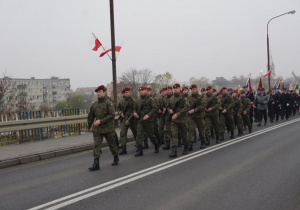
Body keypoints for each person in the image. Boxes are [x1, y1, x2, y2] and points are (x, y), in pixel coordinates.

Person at [87, 85, 119, 171]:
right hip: (98, 129)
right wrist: (89, 125)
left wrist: (101, 121)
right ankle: (96, 163)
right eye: (97, 92)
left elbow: (112, 115)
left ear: (104, 93)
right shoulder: (95, 105)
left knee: (112, 144)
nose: (98, 93)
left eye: (100, 92)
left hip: (108, 128)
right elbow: (91, 116)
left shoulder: (109, 103)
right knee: (96, 145)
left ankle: (116, 156)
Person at [133, 86, 159, 157]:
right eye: (140, 90)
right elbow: (134, 109)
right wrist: (135, 113)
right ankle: (140, 150)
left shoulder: (150, 100)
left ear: (146, 91)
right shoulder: (137, 100)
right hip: (140, 121)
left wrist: (148, 115)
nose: (141, 91)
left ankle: (156, 144)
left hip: (149, 121)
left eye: (142, 90)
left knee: (151, 135)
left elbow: (154, 108)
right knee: (139, 135)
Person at [167, 83, 189, 158]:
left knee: (184, 135)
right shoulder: (171, 99)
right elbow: (168, 107)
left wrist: (178, 114)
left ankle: (186, 147)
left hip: (183, 120)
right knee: (174, 135)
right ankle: (174, 151)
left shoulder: (183, 98)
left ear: (180, 89)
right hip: (174, 121)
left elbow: (186, 108)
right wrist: (170, 110)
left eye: (177, 88)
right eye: (174, 88)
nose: (175, 89)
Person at [118, 87, 137, 155]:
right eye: (124, 92)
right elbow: (118, 109)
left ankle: (138, 145)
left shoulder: (133, 101)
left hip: (132, 119)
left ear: (130, 92)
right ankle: (123, 148)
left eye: (127, 92)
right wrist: (120, 113)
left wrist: (129, 119)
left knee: (135, 133)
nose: (125, 94)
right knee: (123, 133)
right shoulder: (122, 101)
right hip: (124, 119)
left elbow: (135, 111)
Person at [187, 84, 207, 149]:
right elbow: (187, 106)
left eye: (193, 89)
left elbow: (203, 106)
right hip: (191, 116)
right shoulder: (189, 98)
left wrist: (194, 110)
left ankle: (203, 142)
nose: (192, 91)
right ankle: (190, 143)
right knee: (191, 129)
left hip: (199, 116)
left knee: (201, 130)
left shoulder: (201, 97)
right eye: (191, 89)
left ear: (196, 89)